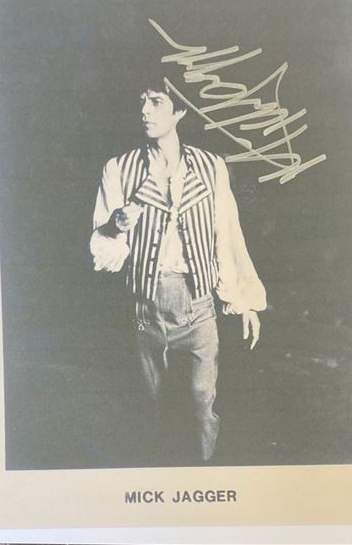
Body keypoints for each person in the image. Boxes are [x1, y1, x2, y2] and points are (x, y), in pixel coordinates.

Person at [90, 79, 266, 463]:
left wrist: (245, 301)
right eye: (142, 102)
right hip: (145, 309)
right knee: (153, 406)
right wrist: (116, 225)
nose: (145, 111)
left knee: (201, 401)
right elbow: (104, 249)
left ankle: (205, 471)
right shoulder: (119, 169)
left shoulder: (210, 166)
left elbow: (228, 235)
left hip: (198, 305)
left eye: (156, 102)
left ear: (180, 111)